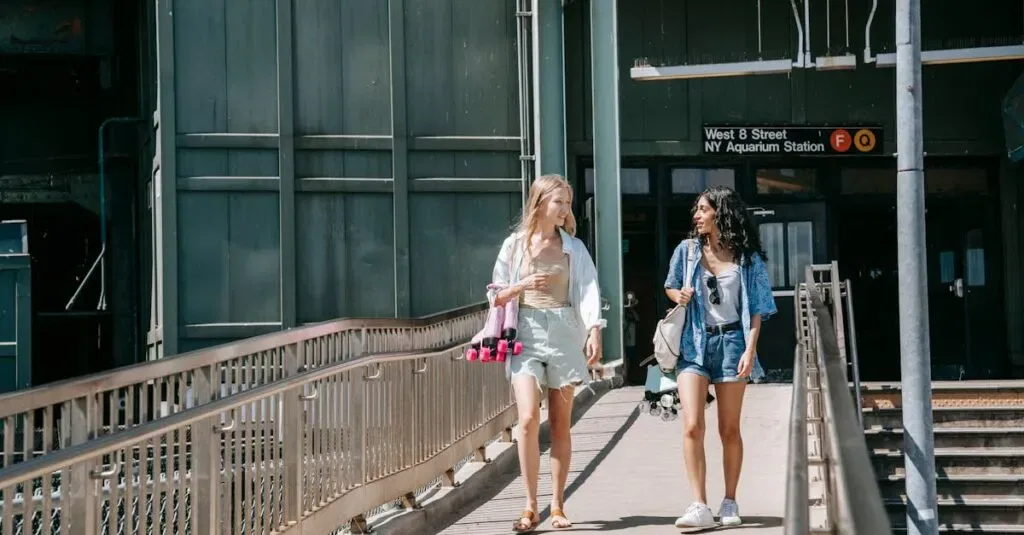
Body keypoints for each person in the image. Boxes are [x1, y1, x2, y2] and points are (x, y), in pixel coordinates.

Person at [487, 174, 605, 532]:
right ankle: (529, 505)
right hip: (526, 333)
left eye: (568, 203)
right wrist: (522, 285)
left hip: (565, 332)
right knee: (525, 420)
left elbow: (587, 289)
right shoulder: (514, 246)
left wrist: (594, 328)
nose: (565, 209)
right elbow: (495, 294)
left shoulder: (574, 247)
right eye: (559, 202)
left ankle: (557, 505)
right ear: (539, 203)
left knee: (559, 424)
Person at [663, 185, 777, 529]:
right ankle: (698, 503)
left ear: (720, 213)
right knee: (692, 425)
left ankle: (729, 500)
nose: (696, 215)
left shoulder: (747, 259)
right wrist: (678, 294)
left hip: (731, 342)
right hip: (693, 344)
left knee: (729, 429)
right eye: (696, 210)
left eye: (702, 209)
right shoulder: (686, 251)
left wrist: (750, 348)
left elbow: (757, 309)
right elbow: (669, 284)